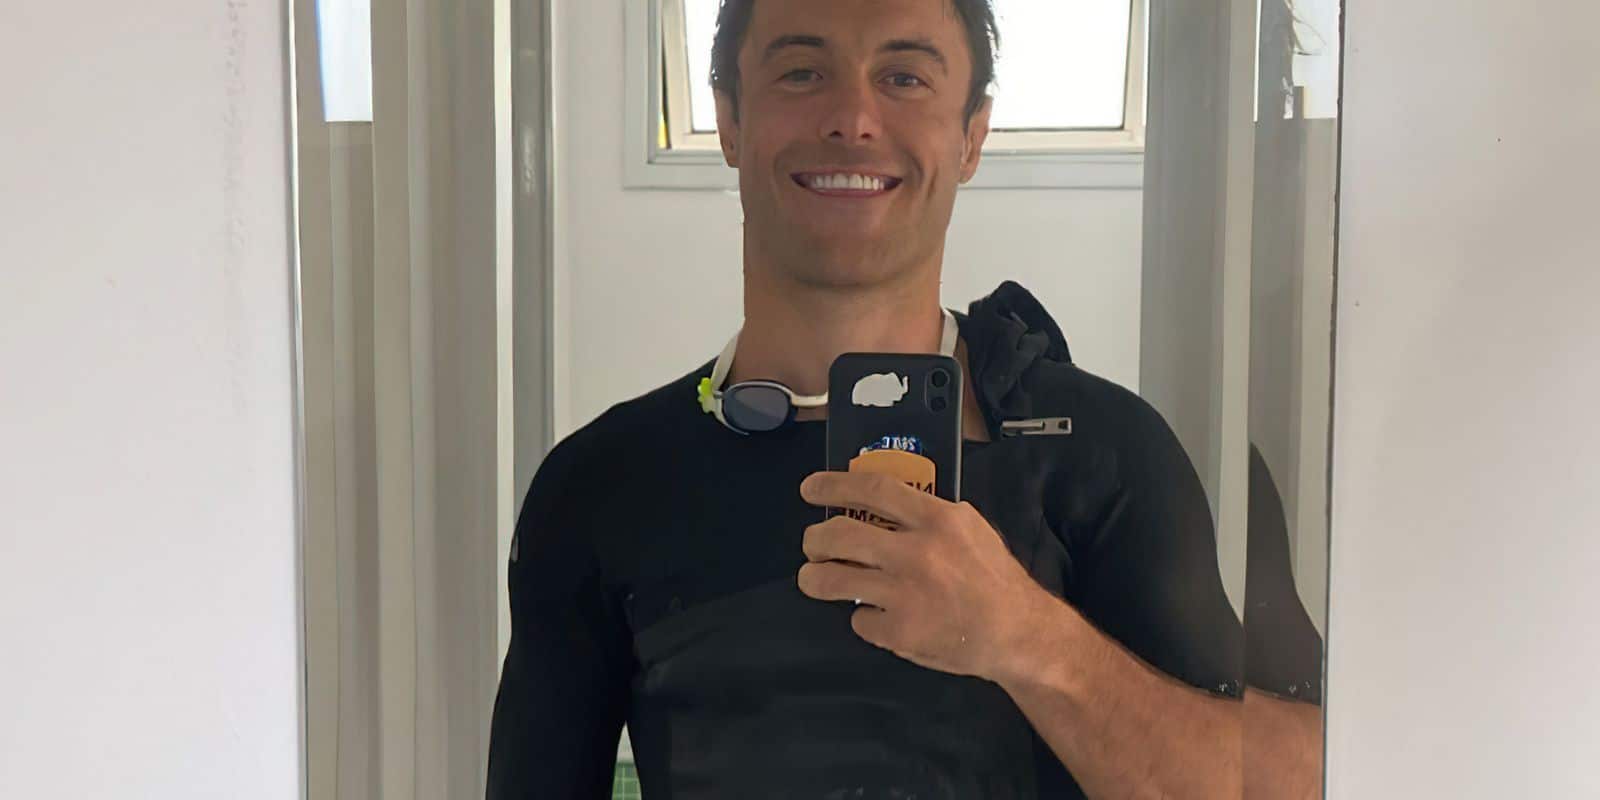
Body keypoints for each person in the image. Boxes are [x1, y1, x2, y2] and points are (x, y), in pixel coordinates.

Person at [488, 0, 1275, 796]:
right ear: (728, 120)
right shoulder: (602, 483)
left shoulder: (1101, 453)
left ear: (971, 136)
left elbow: (1286, 778)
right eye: (803, 72)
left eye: (903, 78)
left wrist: (1031, 640)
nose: (854, 118)